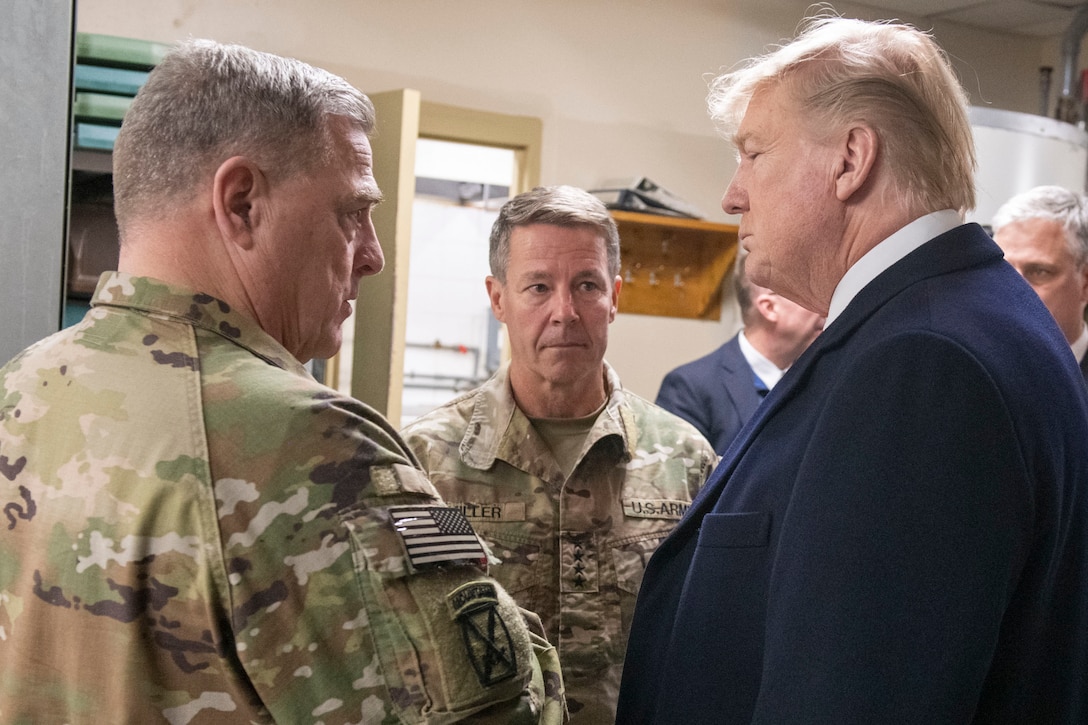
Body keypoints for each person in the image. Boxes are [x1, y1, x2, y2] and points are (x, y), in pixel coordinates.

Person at [0, 39, 566, 724]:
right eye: (350, 212)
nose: (374, 254)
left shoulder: (26, 387)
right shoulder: (312, 443)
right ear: (242, 204)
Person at [618, 14, 1088, 724]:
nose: (731, 194)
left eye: (753, 154)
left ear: (851, 159)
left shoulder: (924, 364)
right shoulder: (951, 320)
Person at [400, 185, 716, 724]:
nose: (564, 312)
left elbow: (708, 644)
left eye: (586, 285)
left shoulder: (686, 461)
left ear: (615, 296)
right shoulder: (429, 461)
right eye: (538, 287)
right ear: (498, 298)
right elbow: (403, 647)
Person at [655, 252, 823, 454]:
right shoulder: (689, 388)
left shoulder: (823, 377)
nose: (823, 307)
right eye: (808, 294)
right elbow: (683, 481)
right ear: (769, 308)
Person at [992, 185, 1088, 381]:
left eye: (1039, 272)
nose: (1012, 289)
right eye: (1003, 270)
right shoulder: (966, 371)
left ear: (1085, 283)